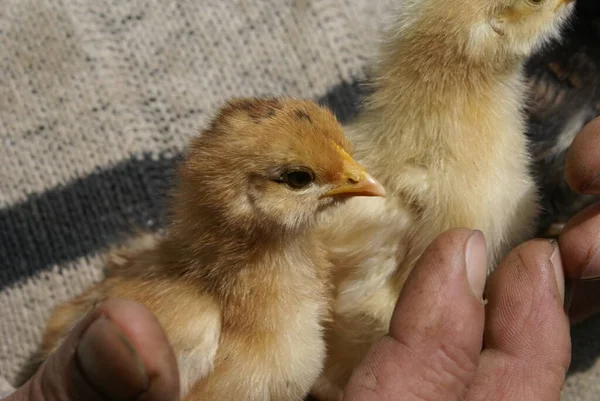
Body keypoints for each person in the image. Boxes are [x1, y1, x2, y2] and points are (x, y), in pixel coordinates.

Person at [4, 117, 600, 401]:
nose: (358, 177)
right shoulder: (194, 324)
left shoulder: (305, 264)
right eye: (299, 177)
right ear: (234, 201)